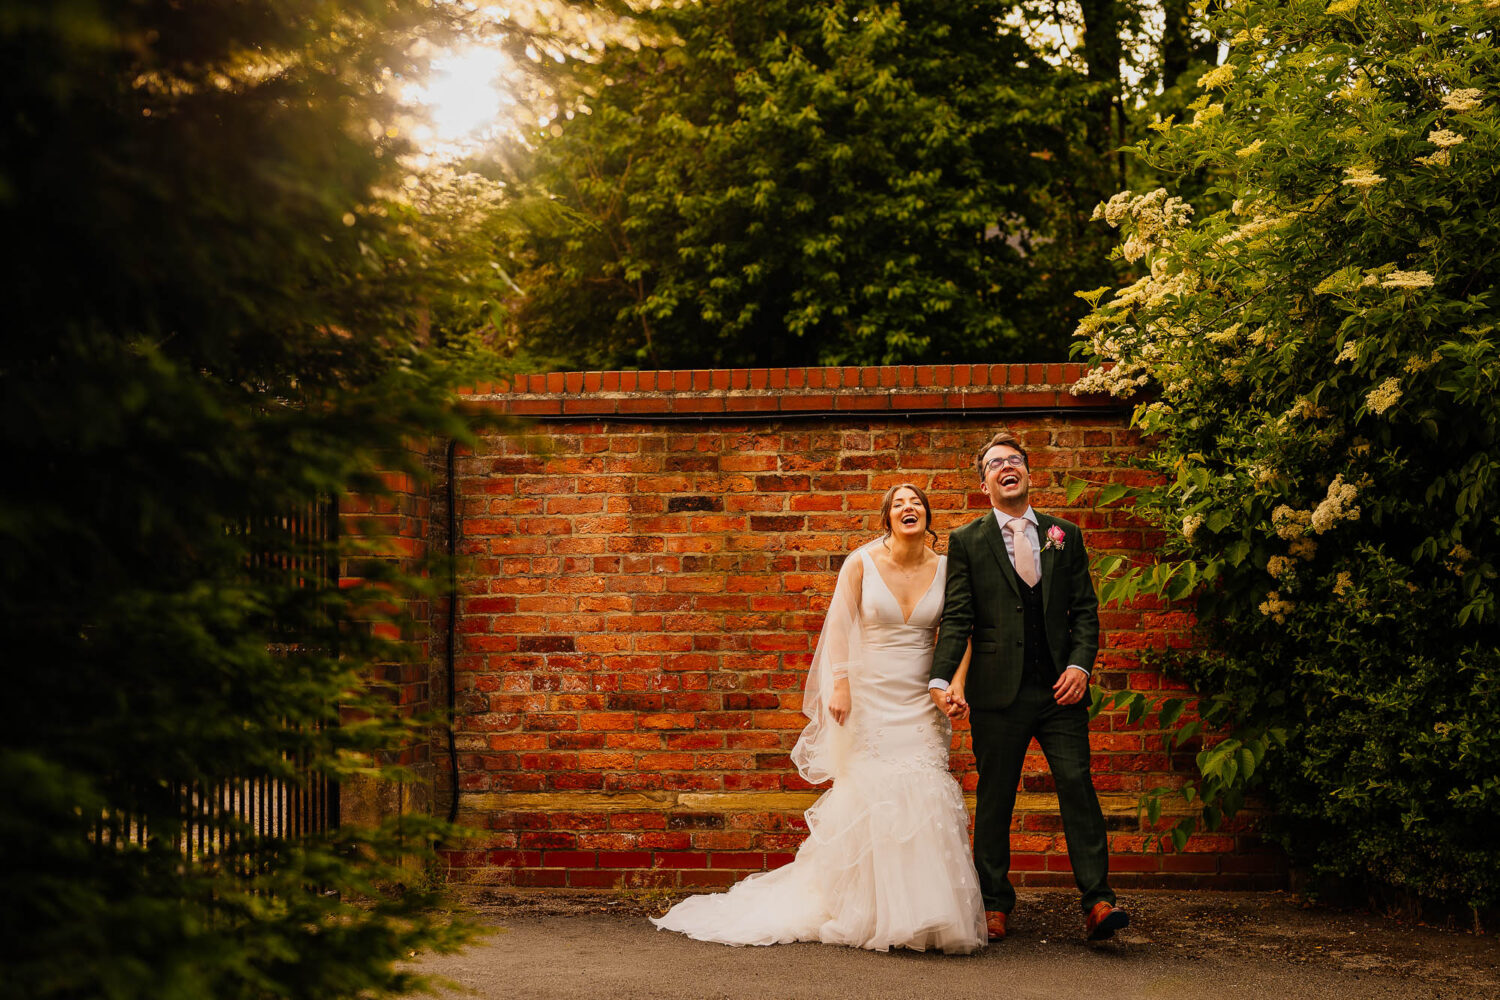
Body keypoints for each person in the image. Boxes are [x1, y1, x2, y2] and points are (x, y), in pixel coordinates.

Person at [651, 484, 985, 954]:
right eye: (898, 504)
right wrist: (841, 684)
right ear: (887, 518)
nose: (908, 508)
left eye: (916, 503)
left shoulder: (947, 569)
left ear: (927, 517)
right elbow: (839, 627)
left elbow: (961, 632)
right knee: (870, 794)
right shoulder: (861, 562)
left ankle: (923, 913)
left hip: (919, 699)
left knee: (923, 790)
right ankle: (865, 909)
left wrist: (954, 685)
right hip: (869, 696)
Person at [928, 431, 1129, 943]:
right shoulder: (967, 540)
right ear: (984, 484)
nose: (1006, 467)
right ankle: (994, 903)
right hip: (998, 693)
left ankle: (1099, 902)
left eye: (1013, 460)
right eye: (995, 463)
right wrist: (941, 677)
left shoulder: (1065, 534)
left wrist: (1081, 667)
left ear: (1028, 472)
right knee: (996, 796)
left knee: (1077, 787)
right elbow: (959, 616)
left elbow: (1084, 610)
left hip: (1061, 691)